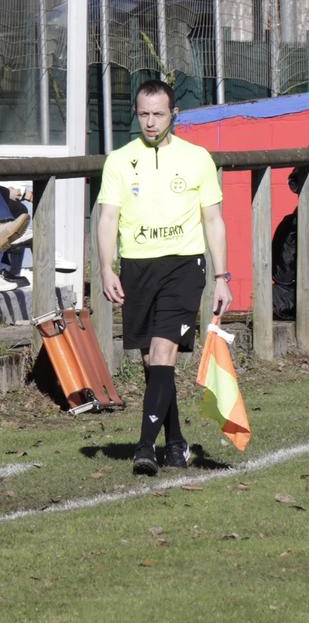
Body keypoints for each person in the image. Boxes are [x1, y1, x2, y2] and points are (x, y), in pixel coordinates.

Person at [93, 79, 231, 475]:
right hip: (137, 267)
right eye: (144, 114)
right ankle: (174, 442)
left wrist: (222, 276)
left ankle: (143, 448)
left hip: (184, 266)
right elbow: (107, 218)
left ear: (174, 114)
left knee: (164, 351)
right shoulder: (119, 160)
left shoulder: (197, 158)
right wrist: (106, 268)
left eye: (158, 114)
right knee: (153, 362)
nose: (151, 123)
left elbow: (214, 219)